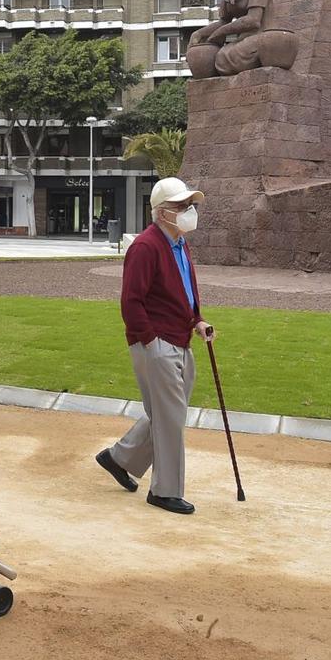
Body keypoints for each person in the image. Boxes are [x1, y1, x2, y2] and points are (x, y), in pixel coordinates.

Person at [95, 177, 215, 515]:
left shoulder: (179, 244)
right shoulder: (146, 247)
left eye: (190, 205)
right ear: (162, 213)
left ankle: (120, 458)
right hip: (158, 344)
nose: (189, 211)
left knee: (166, 413)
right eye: (181, 206)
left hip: (179, 339)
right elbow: (131, 302)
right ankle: (164, 490)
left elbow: (182, 293)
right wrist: (150, 340)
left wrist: (197, 321)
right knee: (171, 418)